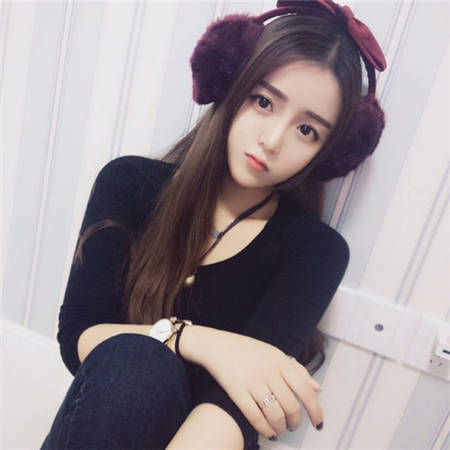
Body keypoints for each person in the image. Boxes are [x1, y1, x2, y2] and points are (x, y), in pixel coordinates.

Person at [40, 0, 387, 449]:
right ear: (229, 85)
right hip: (101, 422)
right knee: (137, 361)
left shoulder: (314, 249)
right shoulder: (127, 184)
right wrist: (197, 340)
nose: (273, 140)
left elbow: (240, 407)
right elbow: (79, 339)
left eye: (307, 131)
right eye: (264, 102)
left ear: (329, 152)